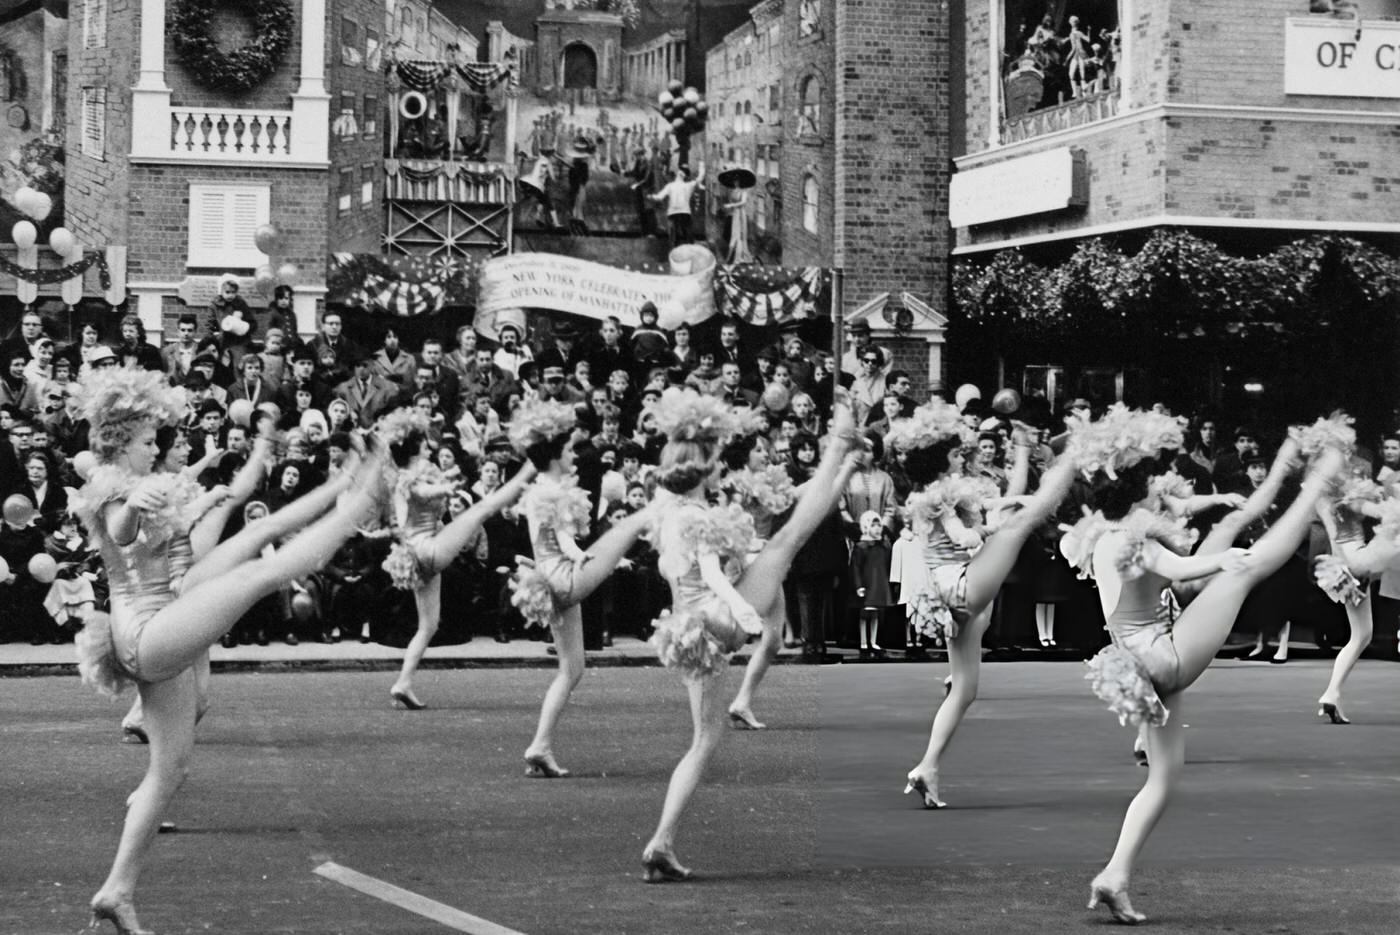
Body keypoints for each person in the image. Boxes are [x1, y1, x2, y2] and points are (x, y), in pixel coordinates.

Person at [72, 367, 386, 935]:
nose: (157, 448)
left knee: (169, 771)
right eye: (148, 441)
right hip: (149, 630)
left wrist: (209, 497)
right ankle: (360, 497)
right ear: (121, 439)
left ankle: (116, 890)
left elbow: (187, 527)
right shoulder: (115, 483)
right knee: (269, 572)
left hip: (156, 620)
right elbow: (118, 528)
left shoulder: (138, 478)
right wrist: (136, 505)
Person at [1059, 408, 1345, 924]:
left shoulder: (1098, 538)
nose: (1158, 491)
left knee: (1164, 779)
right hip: (1160, 658)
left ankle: (1114, 875)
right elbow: (1181, 569)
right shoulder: (1131, 541)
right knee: (1248, 569)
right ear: (1134, 495)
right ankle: (1315, 487)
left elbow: (1153, 572)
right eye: (1151, 486)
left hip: (1137, 664)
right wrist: (1227, 559)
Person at [640, 388, 862, 882]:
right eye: (715, 461)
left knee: (703, 741)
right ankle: (838, 440)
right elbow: (715, 574)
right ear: (701, 470)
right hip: (716, 617)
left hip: (686, 630)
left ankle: (662, 840)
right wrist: (744, 613)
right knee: (787, 540)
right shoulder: (698, 516)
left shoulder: (668, 512)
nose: (722, 466)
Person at [895, 400, 1076, 810]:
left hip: (959, 593)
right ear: (940, 456)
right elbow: (965, 538)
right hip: (960, 584)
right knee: (1018, 525)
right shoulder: (939, 494)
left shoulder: (945, 489)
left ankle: (927, 766)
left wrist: (1022, 456)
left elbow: (1003, 501)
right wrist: (994, 525)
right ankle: (1067, 463)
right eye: (955, 451)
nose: (963, 454)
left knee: (964, 690)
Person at [509, 400, 656, 776]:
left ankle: (540, 745)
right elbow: (565, 539)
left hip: (548, 578)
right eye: (569, 450)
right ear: (556, 457)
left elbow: (550, 538)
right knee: (624, 534)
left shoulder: (541, 487)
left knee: (572, 669)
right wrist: (590, 559)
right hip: (561, 576)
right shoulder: (551, 492)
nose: (575, 454)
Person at [381, 408, 535, 709]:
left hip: (418, 554)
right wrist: (446, 487)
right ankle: (530, 468)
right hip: (428, 548)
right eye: (425, 443)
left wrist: (447, 480)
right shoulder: (409, 478)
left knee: (429, 626)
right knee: (481, 510)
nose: (429, 446)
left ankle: (403, 683)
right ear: (417, 446)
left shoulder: (406, 474)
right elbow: (422, 491)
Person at [851, 511, 894, 656]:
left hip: (880, 584)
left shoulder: (884, 547)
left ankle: (873, 642)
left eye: (879, 525)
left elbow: (887, 565)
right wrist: (859, 586)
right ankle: (863, 642)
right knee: (865, 614)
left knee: (875, 614)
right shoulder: (861, 547)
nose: (877, 529)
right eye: (873, 525)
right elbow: (856, 568)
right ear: (866, 526)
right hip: (868, 585)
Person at [649, 163, 704, 249]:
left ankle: (677, 255)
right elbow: (699, 178)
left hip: (675, 214)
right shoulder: (687, 185)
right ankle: (686, 255)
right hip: (682, 213)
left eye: (681, 172)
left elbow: (659, 197)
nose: (680, 173)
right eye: (681, 171)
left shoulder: (675, 186)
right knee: (686, 238)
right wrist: (701, 166)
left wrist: (651, 197)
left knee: (675, 239)